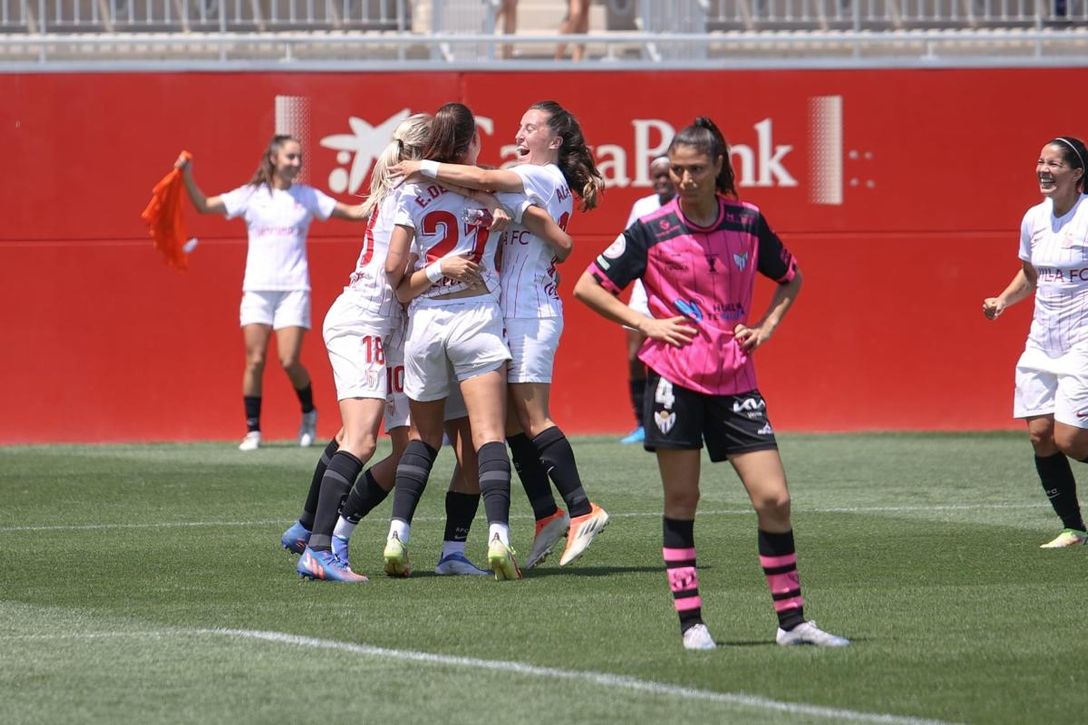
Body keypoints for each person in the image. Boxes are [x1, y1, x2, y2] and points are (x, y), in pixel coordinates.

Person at [573, 117, 849, 650]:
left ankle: (792, 623)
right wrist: (647, 324)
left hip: (736, 379)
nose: (684, 179)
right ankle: (692, 624)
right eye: (676, 170)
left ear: (718, 166)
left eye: (695, 169)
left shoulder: (748, 221)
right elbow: (588, 285)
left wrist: (765, 327)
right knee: (683, 499)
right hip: (674, 377)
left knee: (774, 498)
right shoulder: (651, 229)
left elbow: (791, 275)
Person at [392, 100, 610, 571]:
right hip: (510, 311)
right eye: (519, 123)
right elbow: (492, 189)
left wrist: (422, 166)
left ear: (555, 141)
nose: (520, 131)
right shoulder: (524, 177)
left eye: (531, 127)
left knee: (532, 417)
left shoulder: (544, 176)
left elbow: (486, 181)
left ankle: (581, 508)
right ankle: (546, 512)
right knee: (510, 424)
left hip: (530, 310)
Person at [278, 114, 494, 580]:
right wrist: (442, 268)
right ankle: (320, 547)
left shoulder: (408, 188)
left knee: (400, 446)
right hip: (367, 322)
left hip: (390, 331)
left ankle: (304, 528)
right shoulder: (410, 193)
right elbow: (396, 280)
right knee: (360, 438)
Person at [383, 102, 523, 580]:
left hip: (425, 321)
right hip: (475, 314)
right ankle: (499, 538)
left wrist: (428, 272)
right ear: (470, 144)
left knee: (422, 438)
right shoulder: (483, 189)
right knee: (488, 435)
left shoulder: (411, 193)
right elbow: (496, 198)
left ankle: (397, 533)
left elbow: (393, 271)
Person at [176, 136, 367, 451]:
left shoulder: (307, 197)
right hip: (257, 290)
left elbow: (355, 212)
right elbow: (204, 205)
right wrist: (185, 174)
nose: (296, 162)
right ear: (274, 158)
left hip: (294, 289)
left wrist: (389, 188)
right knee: (255, 360)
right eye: (290, 157)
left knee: (289, 360)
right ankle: (253, 430)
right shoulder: (252, 196)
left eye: (298, 157)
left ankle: (308, 413)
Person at [983, 135, 1088, 549]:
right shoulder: (1033, 219)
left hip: (1083, 340)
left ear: (1077, 173)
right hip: (1042, 342)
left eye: (1054, 164)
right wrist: (1002, 301)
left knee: (1071, 440)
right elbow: (1031, 274)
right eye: (1039, 161)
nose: (1043, 169)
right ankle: (1074, 529)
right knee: (1041, 434)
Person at [619, 156, 677, 445]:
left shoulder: (686, 206)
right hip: (644, 290)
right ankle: (642, 423)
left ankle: (668, 420)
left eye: (667, 175)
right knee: (634, 357)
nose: (662, 181)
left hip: (678, 295)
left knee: (670, 361)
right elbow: (630, 245)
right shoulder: (642, 207)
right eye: (657, 176)